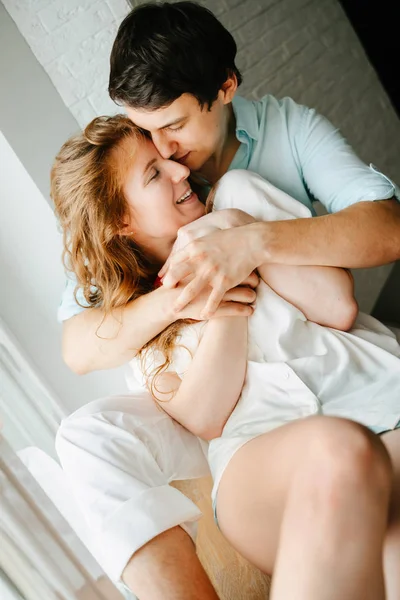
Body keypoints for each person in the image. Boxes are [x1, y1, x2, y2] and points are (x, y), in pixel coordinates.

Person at [56, 2, 400, 598]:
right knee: (337, 456)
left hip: (369, 394)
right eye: (151, 157)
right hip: (263, 451)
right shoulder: (134, 287)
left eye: (172, 130)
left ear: (224, 90)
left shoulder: (254, 173)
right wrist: (200, 303)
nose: (168, 158)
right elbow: (87, 350)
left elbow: (365, 264)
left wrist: (245, 239)